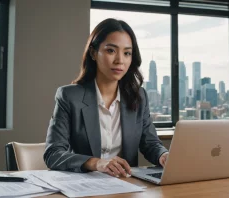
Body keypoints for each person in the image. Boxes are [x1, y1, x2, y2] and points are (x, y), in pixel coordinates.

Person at [43, 18, 169, 177]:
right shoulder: (69, 96)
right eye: (111, 50)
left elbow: (150, 144)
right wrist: (96, 163)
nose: (120, 60)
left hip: (126, 186)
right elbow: (53, 154)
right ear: (93, 53)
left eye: (127, 53)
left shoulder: (139, 97)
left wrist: (163, 155)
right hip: (84, 186)